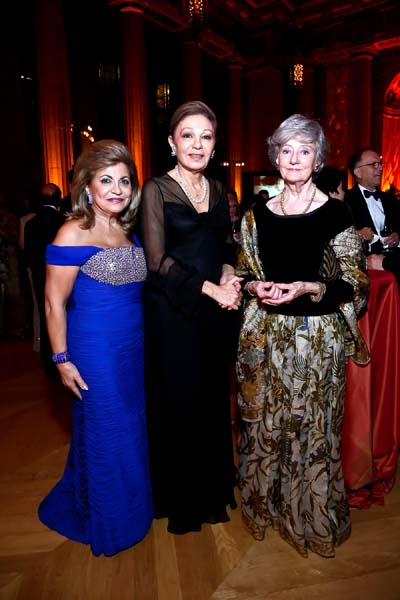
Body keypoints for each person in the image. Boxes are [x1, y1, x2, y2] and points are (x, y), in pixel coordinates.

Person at [235, 114, 369, 558]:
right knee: (265, 426)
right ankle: (268, 508)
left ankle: (309, 516)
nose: (294, 158)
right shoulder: (255, 215)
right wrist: (256, 286)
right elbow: (241, 272)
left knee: (312, 428)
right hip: (266, 336)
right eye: (286, 150)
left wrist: (310, 287)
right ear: (275, 157)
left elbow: (354, 280)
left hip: (317, 339)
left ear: (317, 159)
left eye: (304, 150)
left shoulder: (337, 212)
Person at [38, 140, 153, 556]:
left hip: (131, 347)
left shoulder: (125, 229)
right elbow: (54, 302)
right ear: (87, 185)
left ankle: (132, 511)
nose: (117, 188)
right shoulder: (72, 230)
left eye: (124, 180)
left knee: (129, 428)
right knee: (107, 428)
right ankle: (108, 522)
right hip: (96, 349)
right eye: (106, 180)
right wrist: (61, 359)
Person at [140, 100, 242, 534]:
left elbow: (224, 247)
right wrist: (212, 288)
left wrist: (230, 274)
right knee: (178, 399)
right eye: (188, 135)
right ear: (171, 142)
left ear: (214, 144)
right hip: (172, 312)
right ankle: (180, 497)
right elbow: (156, 261)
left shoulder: (220, 190)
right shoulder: (155, 190)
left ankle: (212, 488)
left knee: (211, 398)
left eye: (206, 136)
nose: (197, 144)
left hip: (213, 313)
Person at [344, 147, 400, 289]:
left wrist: (398, 237)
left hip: (396, 266)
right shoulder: (345, 201)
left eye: (380, 164)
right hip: (366, 273)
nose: (380, 168)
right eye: (373, 165)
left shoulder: (391, 200)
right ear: (357, 172)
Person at [24, 183, 66, 372]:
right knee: (63, 312)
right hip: (62, 275)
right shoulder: (64, 221)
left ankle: (48, 361)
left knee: (44, 312)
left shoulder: (31, 224)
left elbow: (29, 253)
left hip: (40, 274)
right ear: (58, 199)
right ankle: (63, 355)